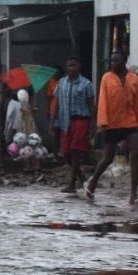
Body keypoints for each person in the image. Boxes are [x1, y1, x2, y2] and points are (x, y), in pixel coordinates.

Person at [85, 52, 138, 204]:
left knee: (136, 153)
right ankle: (93, 182)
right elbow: (102, 101)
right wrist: (102, 123)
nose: (113, 63)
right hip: (112, 123)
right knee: (108, 158)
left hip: (130, 121)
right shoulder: (106, 78)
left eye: (117, 60)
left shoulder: (134, 78)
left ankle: (133, 193)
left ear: (124, 61)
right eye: (112, 60)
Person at [52, 57, 96, 194]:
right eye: (69, 65)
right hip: (65, 122)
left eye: (74, 65)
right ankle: (81, 176)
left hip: (80, 120)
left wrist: (93, 125)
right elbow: (57, 103)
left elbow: (91, 106)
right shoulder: (61, 83)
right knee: (65, 152)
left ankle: (72, 184)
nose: (71, 68)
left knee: (75, 151)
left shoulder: (86, 84)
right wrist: (52, 121)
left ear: (79, 66)